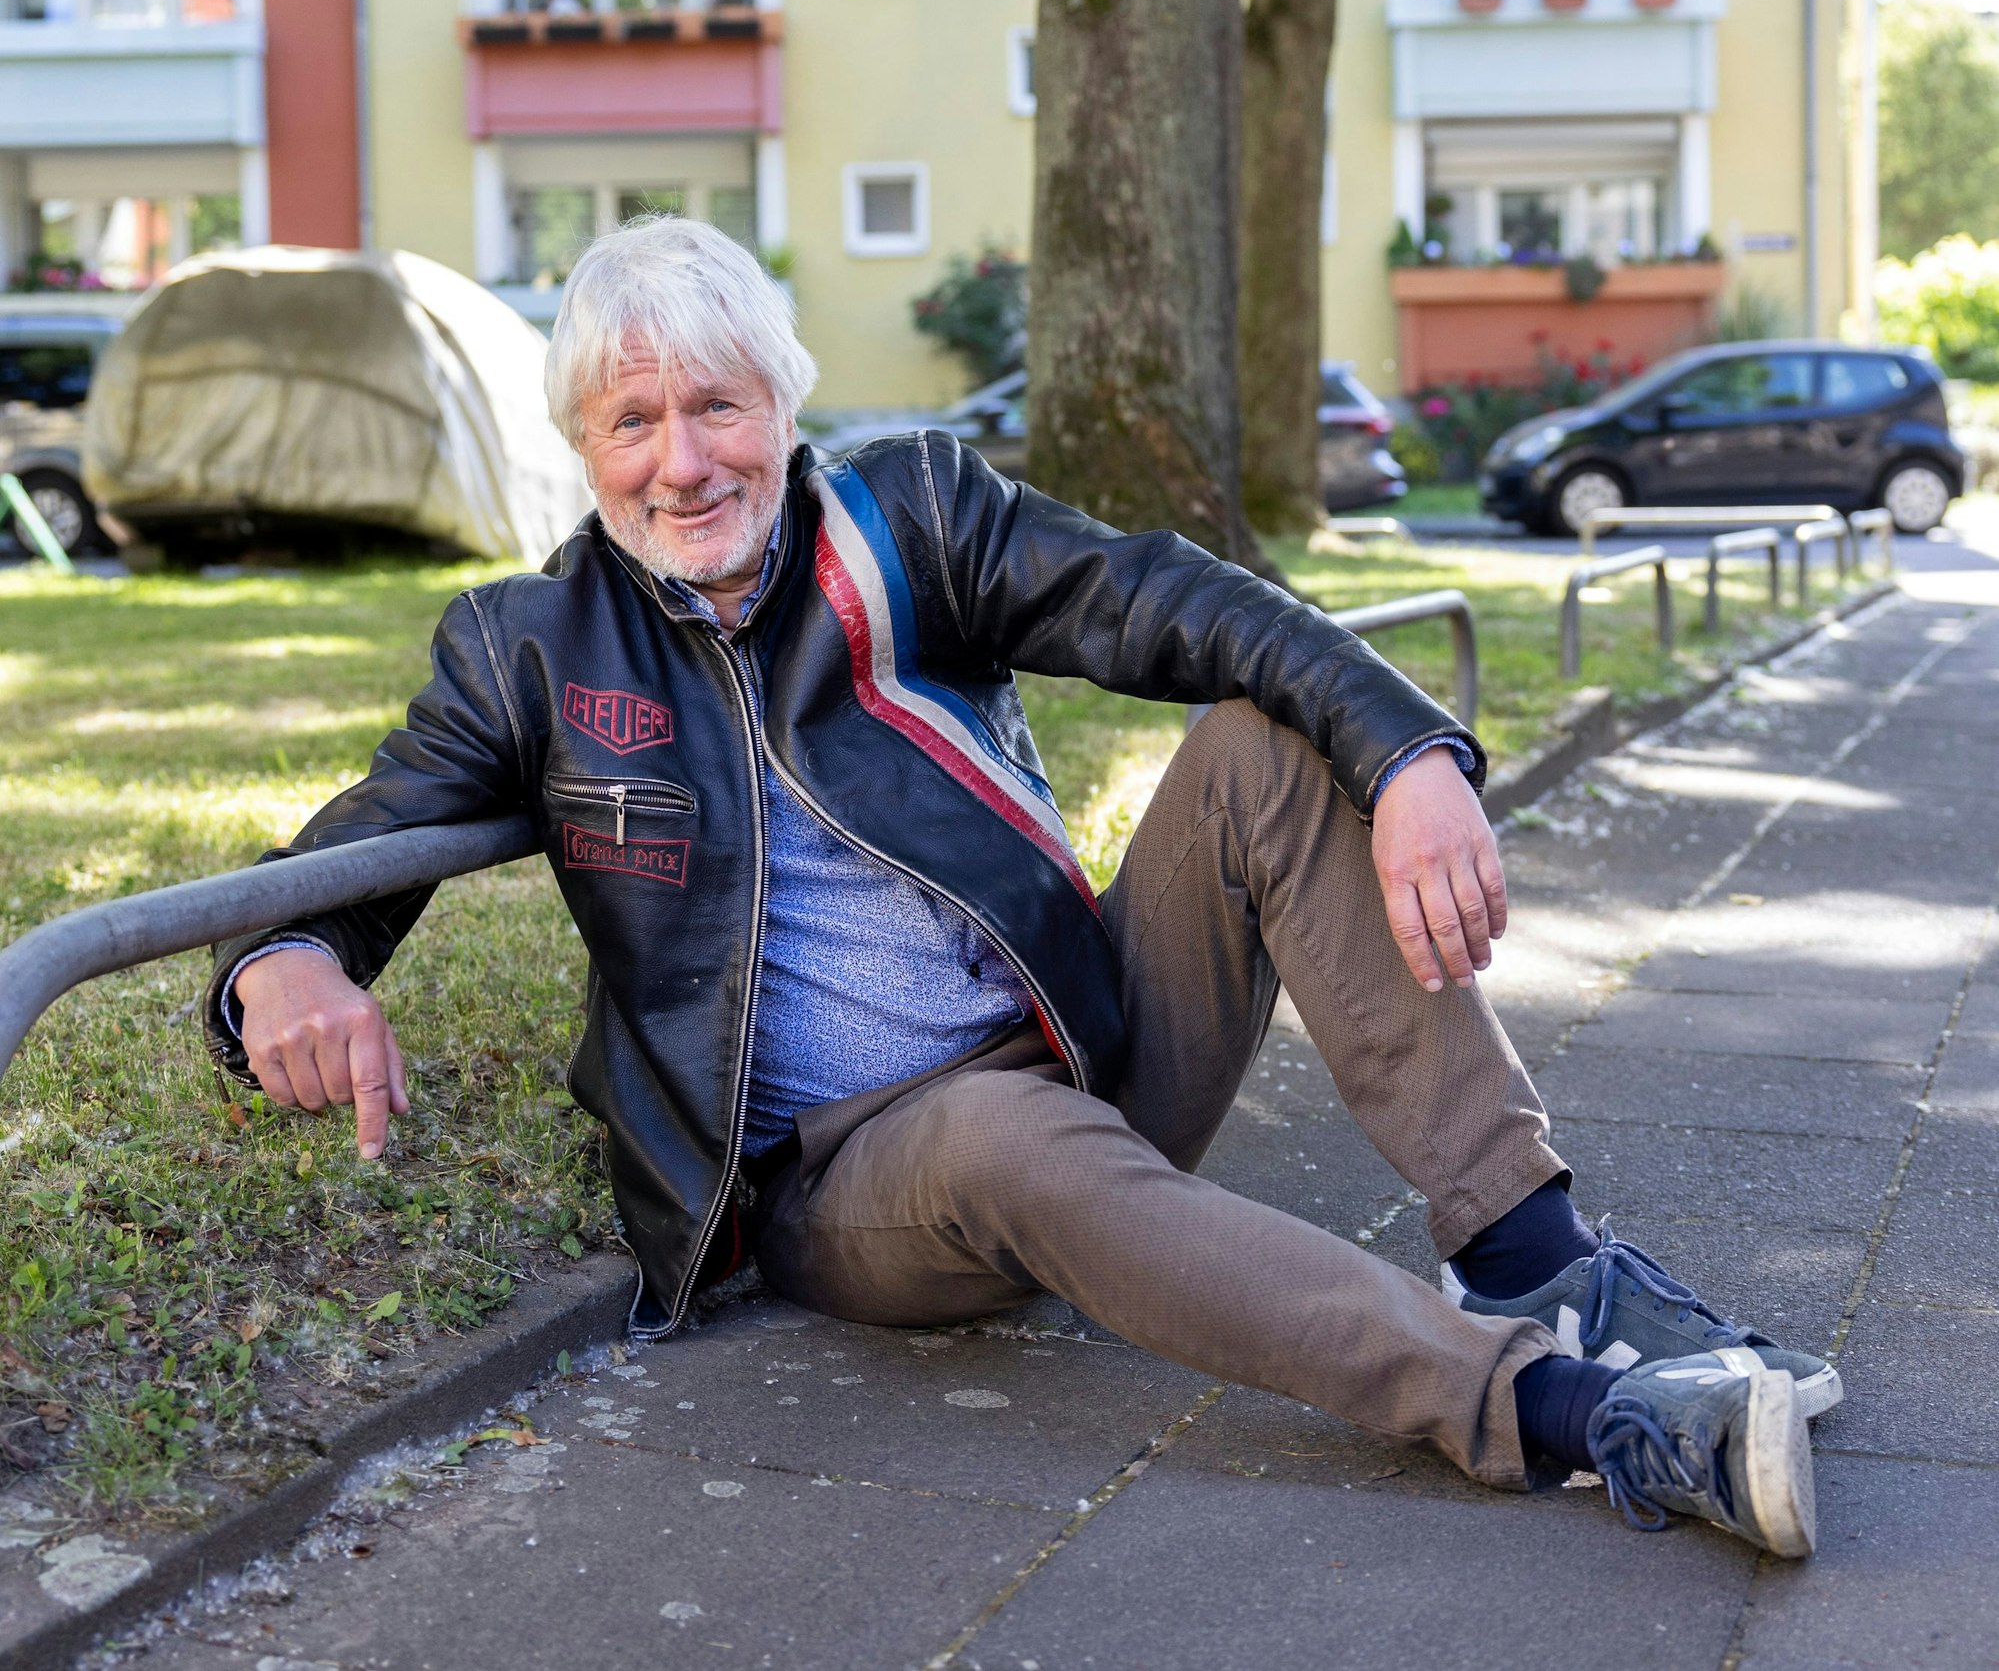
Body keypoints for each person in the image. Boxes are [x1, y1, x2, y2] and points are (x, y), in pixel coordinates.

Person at [208, 216, 1836, 1559]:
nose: (684, 462)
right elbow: (364, 837)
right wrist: (286, 954)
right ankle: (1569, 1412)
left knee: (1262, 748)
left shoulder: (911, 521)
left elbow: (1176, 602)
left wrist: (1406, 754)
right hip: (850, 1180)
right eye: (634, 422)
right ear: (584, 445)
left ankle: (1534, 1251)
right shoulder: (528, 647)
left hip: (1077, 1043)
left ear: (784, 404)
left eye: (717, 406)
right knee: (1002, 1139)